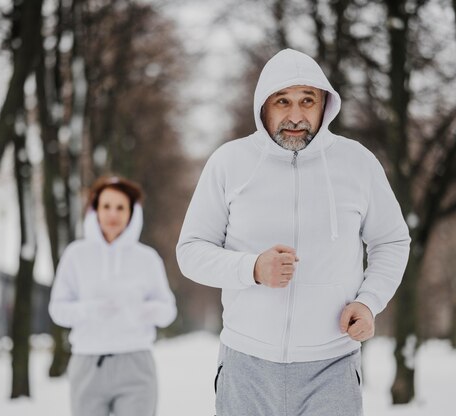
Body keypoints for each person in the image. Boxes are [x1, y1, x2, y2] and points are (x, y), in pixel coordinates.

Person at [176, 48, 410, 415]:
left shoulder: (358, 163)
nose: (296, 115)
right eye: (282, 101)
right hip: (246, 365)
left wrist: (369, 301)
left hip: (332, 366)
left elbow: (391, 240)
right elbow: (190, 250)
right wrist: (251, 268)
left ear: (324, 105)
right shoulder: (229, 163)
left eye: (307, 100)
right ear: (263, 107)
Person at [49, 176, 177, 416]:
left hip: (136, 364)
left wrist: (145, 311)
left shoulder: (147, 258)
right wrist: (89, 309)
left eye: (121, 207)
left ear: (132, 212)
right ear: (94, 209)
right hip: (88, 365)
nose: (113, 214)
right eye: (106, 206)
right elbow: (57, 310)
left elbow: (168, 310)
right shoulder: (76, 255)